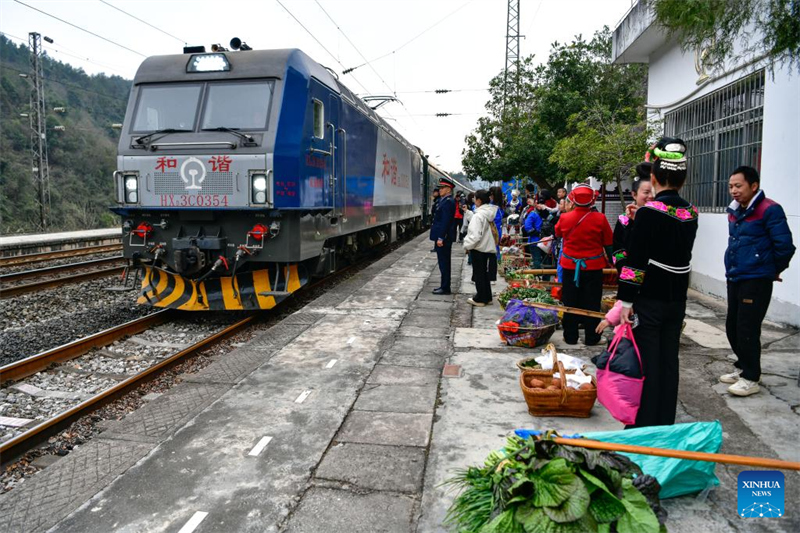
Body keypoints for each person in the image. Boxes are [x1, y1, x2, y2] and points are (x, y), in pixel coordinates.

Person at [615, 137, 698, 429]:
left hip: (649, 301)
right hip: (677, 301)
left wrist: (625, 301)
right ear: (683, 179)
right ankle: (665, 421)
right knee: (669, 363)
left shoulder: (649, 213)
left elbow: (635, 263)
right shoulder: (691, 214)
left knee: (647, 364)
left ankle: (644, 426)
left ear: (654, 177)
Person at [721, 166, 795, 396]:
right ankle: (743, 366)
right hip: (736, 275)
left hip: (756, 279)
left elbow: (785, 246)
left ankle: (751, 377)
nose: (733, 190)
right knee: (732, 326)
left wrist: (770, 270)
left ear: (754, 186)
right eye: (731, 186)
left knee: (747, 328)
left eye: (738, 186)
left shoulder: (769, 209)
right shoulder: (735, 210)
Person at [555, 184, 613, 345]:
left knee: (570, 301)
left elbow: (558, 233)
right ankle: (592, 337)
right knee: (592, 302)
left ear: (573, 200)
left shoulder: (565, 217)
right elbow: (609, 243)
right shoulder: (600, 218)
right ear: (592, 201)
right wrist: (615, 264)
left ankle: (570, 336)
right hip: (593, 267)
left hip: (569, 266)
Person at [611, 164, 654, 271]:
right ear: (634, 194)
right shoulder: (623, 219)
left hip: (656, 274)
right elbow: (617, 250)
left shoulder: (661, 217)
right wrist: (624, 269)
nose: (651, 196)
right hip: (630, 273)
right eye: (646, 192)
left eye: (654, 192)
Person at [463, 189, 499, 307]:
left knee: (479, 274)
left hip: (478, 248)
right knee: (484, 274)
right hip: (487, 248)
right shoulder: (487, 213)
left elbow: (475, 235)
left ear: (478, 200)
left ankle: (480, 299)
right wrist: (468, 213)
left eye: (474, 198)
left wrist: (466, 245)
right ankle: (487, 297)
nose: (473, 200)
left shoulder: (478, 216)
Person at [430, 177, 457, 294]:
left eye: (442, 188)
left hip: (444, 238)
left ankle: (445, 287)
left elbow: (445, 221)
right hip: (442, 236)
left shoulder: (448, 202)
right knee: (442, 263)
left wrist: (441, 237)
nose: (439, 190)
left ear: (448, 189)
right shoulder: (444, 200)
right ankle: (443, 285)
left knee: (444, 263)